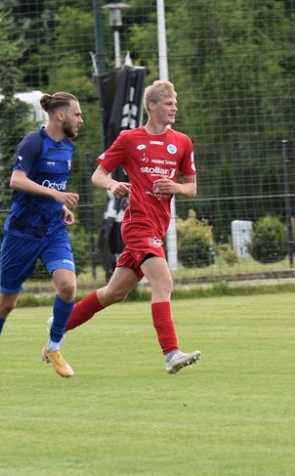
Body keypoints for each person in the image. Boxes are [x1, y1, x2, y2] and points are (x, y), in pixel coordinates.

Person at [63, 80, 201, 375]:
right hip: (138, 224)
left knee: (114, 293)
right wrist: (112, 184)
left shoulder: (182, 142)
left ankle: (60, 325)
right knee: (163, 283)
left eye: (175, 103)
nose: (174, 107)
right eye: (169, 103)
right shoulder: (129, 139)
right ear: (152, 106)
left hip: (158, 227)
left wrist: (175, 187)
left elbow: (191, 188)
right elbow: (98, 175)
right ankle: (171, 353)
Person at [0, 92, 83, 391]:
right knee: (6, 303)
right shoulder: (34, 142)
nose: (81, 120)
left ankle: (53, 346)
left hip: (52, 231)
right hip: (22, 233)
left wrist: (60, 207)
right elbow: (17, 180)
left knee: (68, 286)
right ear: (61, 115)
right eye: (77, 114)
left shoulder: (68, 148)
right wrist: (56, 195)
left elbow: (53, 186)